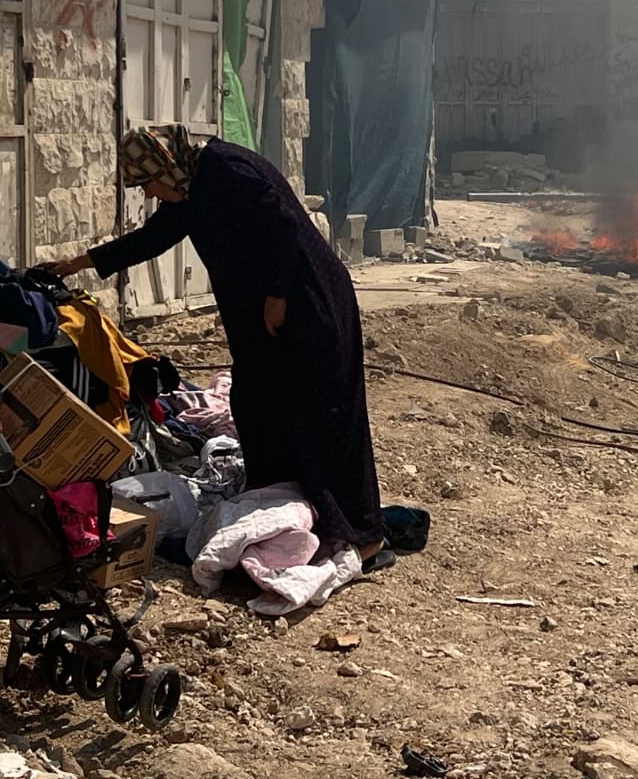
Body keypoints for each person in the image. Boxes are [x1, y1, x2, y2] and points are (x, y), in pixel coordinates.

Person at [43, 125, 391, 570]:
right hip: (267, 325)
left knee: (326, 416)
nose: (148, 193)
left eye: (147, 182)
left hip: (309, 306)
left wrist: (279, 293)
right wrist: (77, 264)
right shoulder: (190, 191)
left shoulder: (227, 170)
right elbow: (151, 239)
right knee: (260, 409)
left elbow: (284, 225)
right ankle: (285, 508)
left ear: (165, 165)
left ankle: (363, 533)